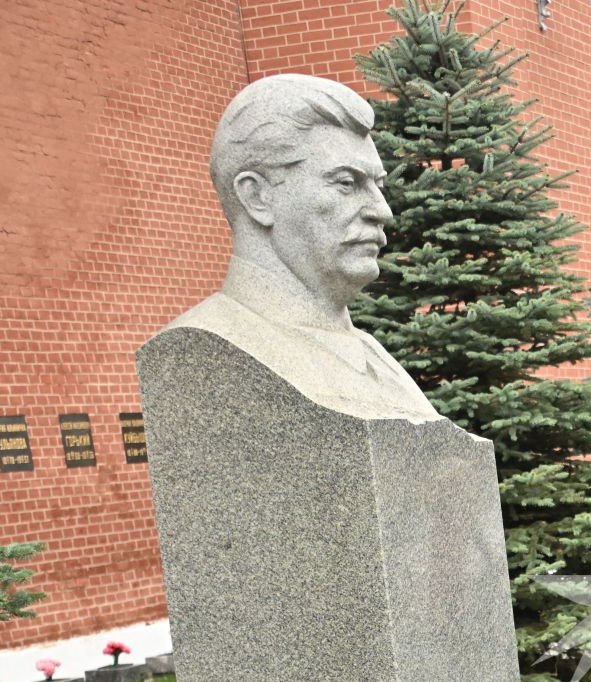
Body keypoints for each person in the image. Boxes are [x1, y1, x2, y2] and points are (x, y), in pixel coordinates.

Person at [174, 74, 439, 424]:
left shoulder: (377, 359)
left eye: (378, 185)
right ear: (257, 197)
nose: (382, 211)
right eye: (347, 182)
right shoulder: (207, 350)